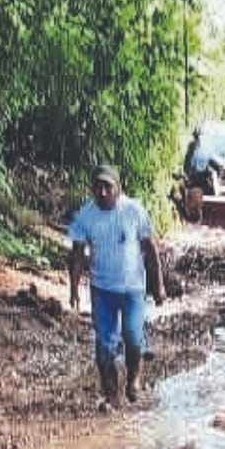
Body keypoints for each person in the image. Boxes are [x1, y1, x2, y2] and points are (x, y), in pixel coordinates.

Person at [68, 165, 165, 407]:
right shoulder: (85, 215)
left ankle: (133, 380)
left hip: (133, 289)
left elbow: (150, 248)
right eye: (97, 186)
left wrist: (158, 285)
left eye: (107, 186)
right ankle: (111, 396)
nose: (102, 192)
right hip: (102, 290)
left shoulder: (133, 210)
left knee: (133, 338)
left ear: (118, 188)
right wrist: (73, 289)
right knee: (104, 345)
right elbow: (77, 254)